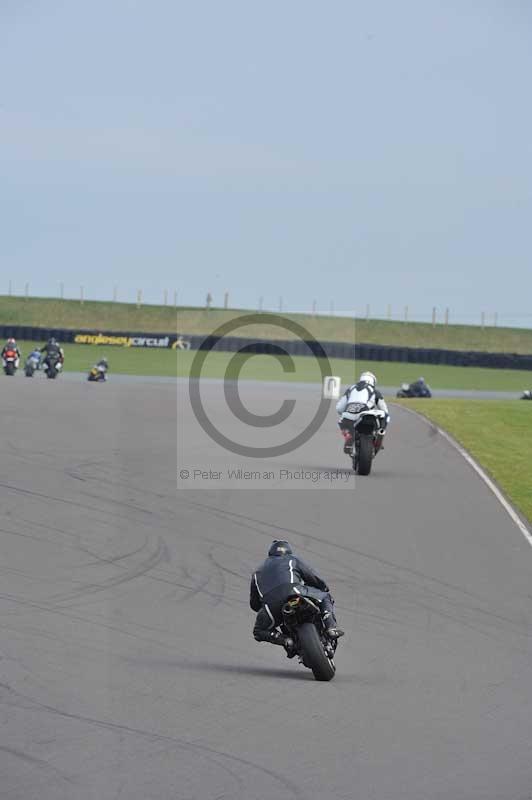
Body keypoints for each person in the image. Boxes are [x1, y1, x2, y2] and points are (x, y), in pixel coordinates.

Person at [250, 540, 344, 656]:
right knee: (325, 596)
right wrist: (323, 587)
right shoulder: (291, 559)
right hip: (294, 592)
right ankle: (330, 627)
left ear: (270, 553)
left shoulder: (256, 572)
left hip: (271, 604)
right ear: (288, 551)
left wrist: (266, 609)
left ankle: (285, 639)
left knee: (258, 631)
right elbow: (311, 575)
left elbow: (254, 604)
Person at [336, 371, 390, 453]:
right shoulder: (375, 391)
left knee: (342, 422)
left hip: (348, 416)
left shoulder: (350, 389)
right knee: (386, 416)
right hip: (365, 415)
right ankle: (380, 435)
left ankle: (348, 435)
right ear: (373, 381)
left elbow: (339, 408)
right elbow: (384, 410)